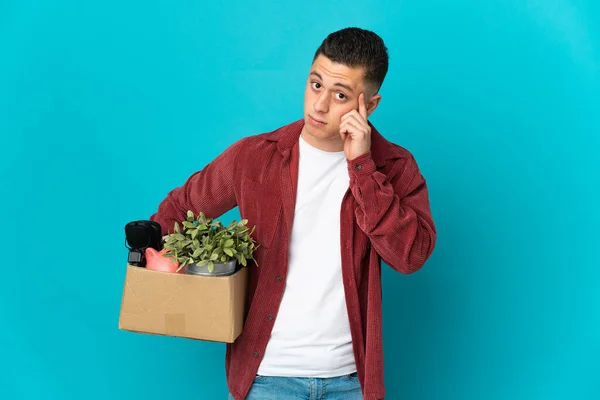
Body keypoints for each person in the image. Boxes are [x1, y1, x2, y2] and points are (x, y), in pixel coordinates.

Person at [150, 27, 436, 400]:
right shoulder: (254, 157)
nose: (319, 106)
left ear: (370, 105)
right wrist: (164, 265)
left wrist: (363, 167)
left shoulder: (394, 166)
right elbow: (176, 210)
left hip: (351, 380)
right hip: (269, 377)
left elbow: (410, 256)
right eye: (316, 84)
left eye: (340, 95)